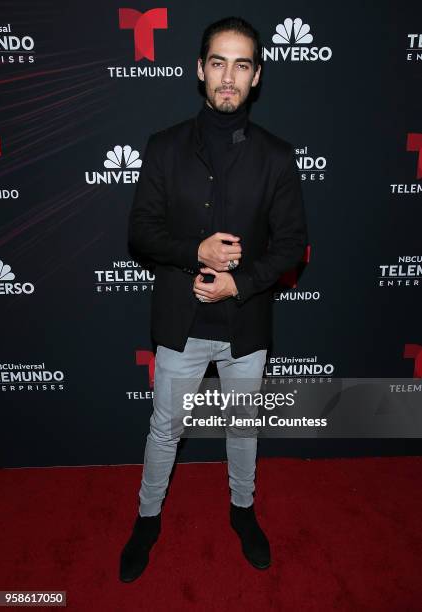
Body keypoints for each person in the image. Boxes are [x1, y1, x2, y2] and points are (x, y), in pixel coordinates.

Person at [120, 16, 308, 582]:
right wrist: (193, 250)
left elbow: (293, 244)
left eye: (242, 64)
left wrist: (240, 282)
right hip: (181, 320)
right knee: (164, 429)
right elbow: (141, 232)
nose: (229, 77)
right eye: (219, 63)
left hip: (246, 323)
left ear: (256, 77)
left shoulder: (276, 156)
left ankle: (243, 512)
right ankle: (147, 520)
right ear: (201, 71)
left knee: (242, 426)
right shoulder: (164, 147)